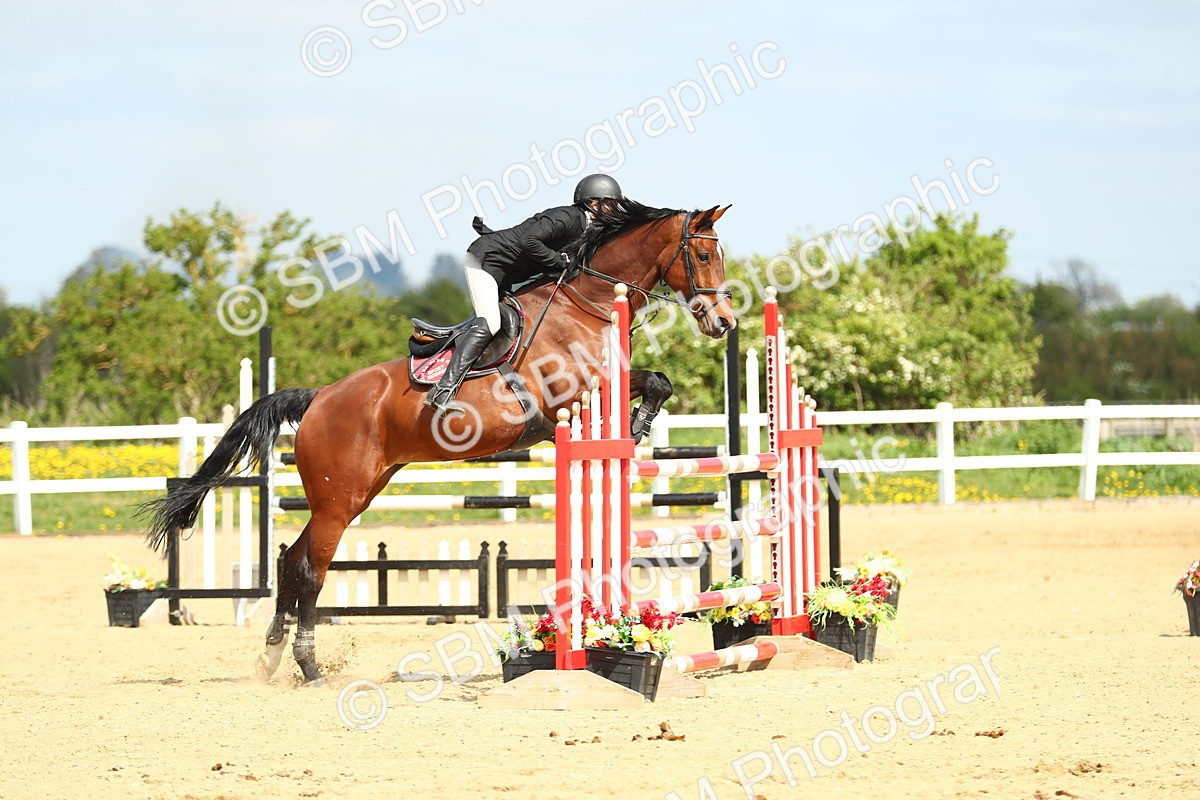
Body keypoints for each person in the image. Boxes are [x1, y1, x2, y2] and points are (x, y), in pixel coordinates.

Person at [424, 173, 623, 413]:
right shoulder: (568, 217)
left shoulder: (586, 228)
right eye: (611, 204)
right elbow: (529, 241)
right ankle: (443, 389)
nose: (615, 209)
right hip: (486, 262)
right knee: (491, 323)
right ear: (592, 202)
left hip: (504, 274)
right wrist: (560, 261)